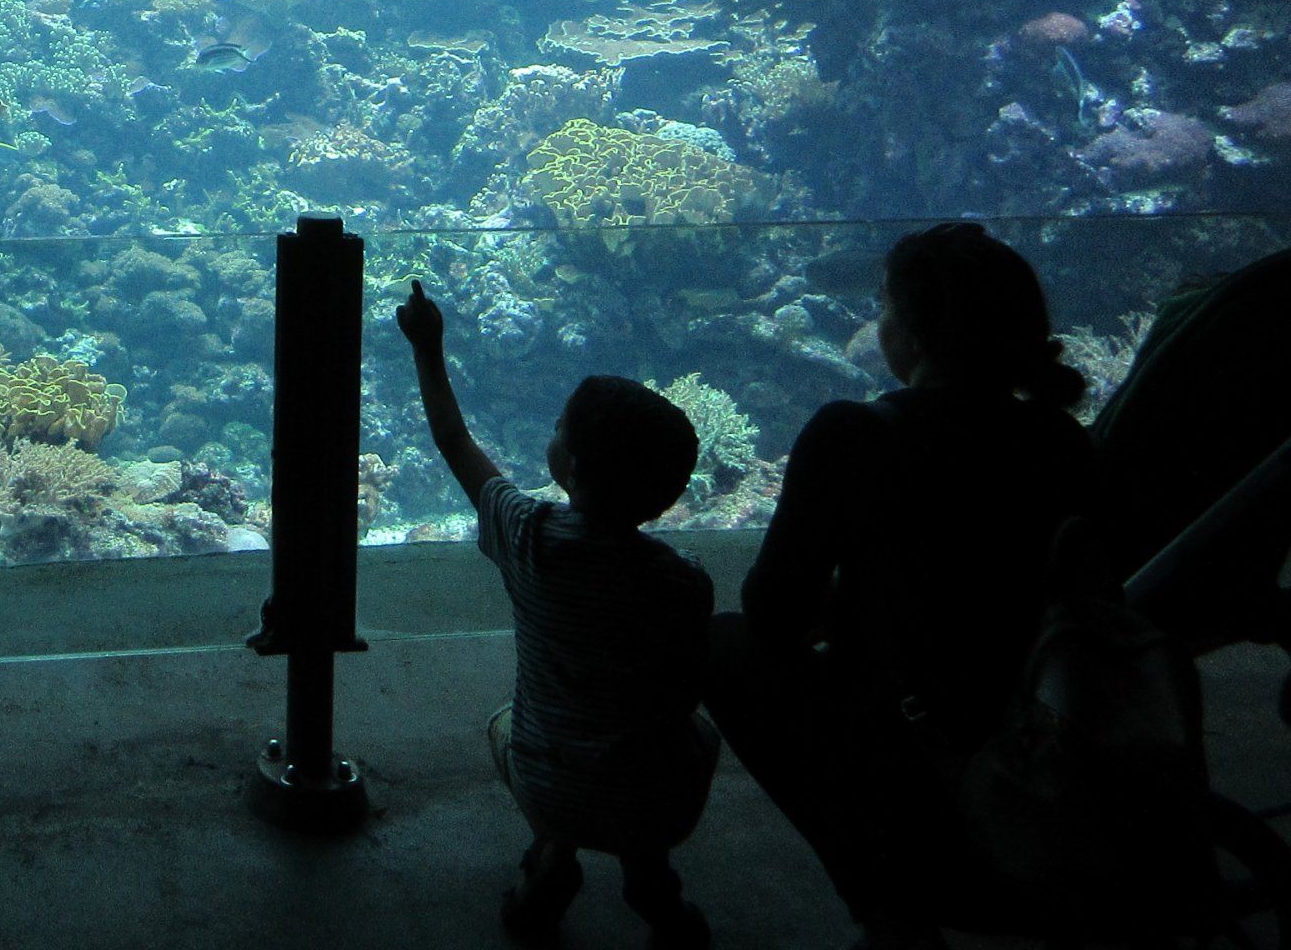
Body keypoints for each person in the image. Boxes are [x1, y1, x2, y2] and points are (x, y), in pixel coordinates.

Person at [704, 222, 1095, 950]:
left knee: (720, 643)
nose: (876, 322)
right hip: (1037, 716)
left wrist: (839, 607)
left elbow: (773, 613)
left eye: (882, 306)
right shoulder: (1064, 442)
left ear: (914, 331)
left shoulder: (852, 434)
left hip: (903, 738)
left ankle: (887, 899)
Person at [397, 280, 718, 947]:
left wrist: (429, 348)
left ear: (566, 462)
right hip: (665, 801)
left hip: (551, 786)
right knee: (678, 734)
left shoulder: (529, 537)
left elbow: (454, 440)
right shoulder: (684, 582)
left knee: (506, 723)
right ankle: (653, 886)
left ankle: (549, 862)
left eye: (558, 428)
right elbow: (684, 689)